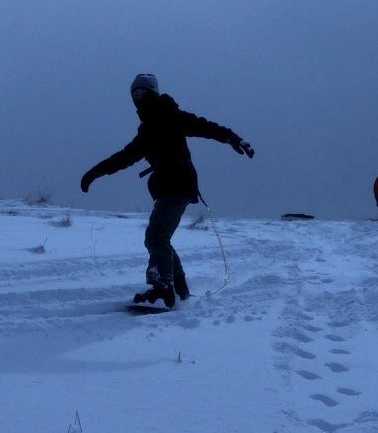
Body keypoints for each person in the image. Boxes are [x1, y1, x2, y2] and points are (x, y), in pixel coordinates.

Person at [80, 73, 253, 308]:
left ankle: (164, 289)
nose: (139, 98)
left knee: (156, 236)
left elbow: (205, 127)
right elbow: (123, 157)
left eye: (143, 93)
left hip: (179, 184)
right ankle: (179, 288)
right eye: (135, 95)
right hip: (167, 188)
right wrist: (94, 173)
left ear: (153, 93)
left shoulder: (171, 116)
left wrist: (233, 138)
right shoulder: (147, 131)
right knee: (157, 237)